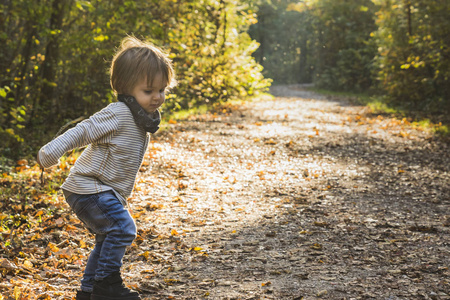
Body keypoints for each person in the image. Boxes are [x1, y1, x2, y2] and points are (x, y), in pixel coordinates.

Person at [37, 36, 176, 300]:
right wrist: (50, 152)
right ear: (125, 88)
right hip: (89, 188)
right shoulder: (118, 112)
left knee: (106, 239)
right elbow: (84, 130)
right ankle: (106, 286)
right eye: (149, 91)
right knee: (123, 229)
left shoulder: (139, 119)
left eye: (162, 90)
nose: (157, 97)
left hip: (102, 191)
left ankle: (89, 291)